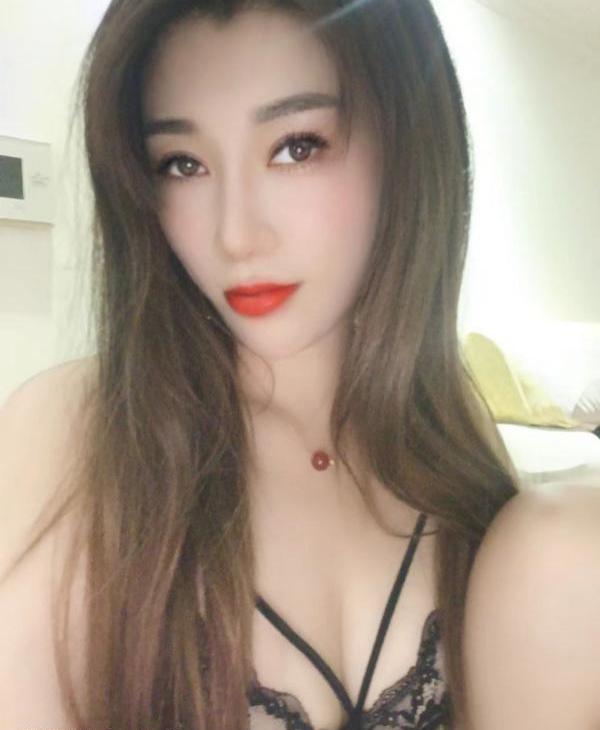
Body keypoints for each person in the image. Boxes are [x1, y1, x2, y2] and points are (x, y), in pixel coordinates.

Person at [1, 1, 599, 729]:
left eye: (296, 147)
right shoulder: (74, 433)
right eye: (183, 164)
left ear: (406, 147)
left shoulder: (448, 426)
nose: (236, 234)